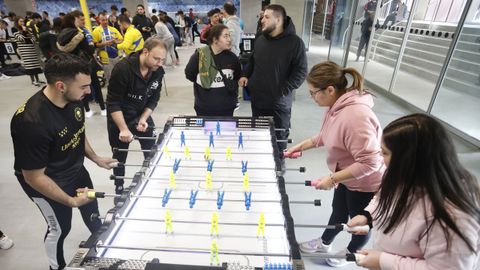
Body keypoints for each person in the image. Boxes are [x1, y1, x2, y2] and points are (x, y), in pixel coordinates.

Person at [10, 53, 117, 270]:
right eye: (84, 87)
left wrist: (95, 158)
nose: (89, 91)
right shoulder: (31, 122)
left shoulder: (74, 100)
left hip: (76, 171)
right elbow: (33, 177)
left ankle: (105, 247)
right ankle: (56, 266)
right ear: (61, 86)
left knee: (93, 215)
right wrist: (69, 200)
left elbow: (78, 132)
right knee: (60, 228)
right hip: (45, 183)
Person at [347, 114, 480, 270]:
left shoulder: (453, 217)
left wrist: (384, 261)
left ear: (409, 160)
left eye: (384, 153)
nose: (380, 157)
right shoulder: (403, 175)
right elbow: (385, 196)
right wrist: (368, 215)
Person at [285, 61, 384, 267]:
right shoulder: (335, 107)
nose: (311, 97)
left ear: (330, 89)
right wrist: (300, 146)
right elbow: (325, 135)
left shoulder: (357, 117)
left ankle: (351, 252)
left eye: (313, 93)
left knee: (360, 223)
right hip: (345, 176)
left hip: (365, 183)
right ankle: (325, 241)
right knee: (338, 211)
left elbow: (370, 162)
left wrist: (332, 179)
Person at [239, 4, 307, 159]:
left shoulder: (295, 43)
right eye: (262, 17)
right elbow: (252, 61)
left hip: (279, 103)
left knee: (278, 138)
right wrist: (245, 74)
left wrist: (283, 90)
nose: (262, 20)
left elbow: (301, 72)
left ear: (278, 19)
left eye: (266, 17)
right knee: (259, 133)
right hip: (258, 100)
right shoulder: (261, 39)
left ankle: (278, 167)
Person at [107, 37, 166, 194]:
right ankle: (119, 186)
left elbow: (154, 98)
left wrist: (143, 118)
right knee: (119, 155)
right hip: (120, 116)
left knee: (152, 150)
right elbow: (113, 103)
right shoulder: (123, 69)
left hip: (141, 114)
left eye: (162, 59)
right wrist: (123, 129)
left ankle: (151, 180)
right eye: (156, 58)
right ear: (145, 52)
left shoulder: (157, 70)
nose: (159, 63)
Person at [57, 10, 106, 117]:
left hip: (72, 65)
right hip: (85, 64)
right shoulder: (78, 34)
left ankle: (87, 110)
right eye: (81, 19)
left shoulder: (62, 33)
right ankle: (103, 109)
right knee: (96, 85)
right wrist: (92, 46)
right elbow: (89, 49)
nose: (83, 21)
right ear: (73, 20)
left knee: (80, 87)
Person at [185, 24, 241, 117]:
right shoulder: (200, 56)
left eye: (229, 36)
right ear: (215, 39)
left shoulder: (232, 58)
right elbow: (190, 75)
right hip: (204, 108)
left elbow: (237, 77)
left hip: (227, 108)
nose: (229, 39)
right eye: (225, 36)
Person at [92, 12, 123, 84]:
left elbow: (121, 39)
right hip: (105, 59)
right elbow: (95, 45)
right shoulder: (96, 31)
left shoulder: (113, 29)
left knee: (120, 76)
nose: (105, 22)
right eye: (103, 20)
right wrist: (105, 43)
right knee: (110, 79)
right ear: (99, 20)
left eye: (106, 19)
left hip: (117, 56)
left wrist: (115, 41)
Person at [13, 17, 44, 86]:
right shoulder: (16, 34)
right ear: (17, 23)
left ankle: (38, 80)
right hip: (25, 52)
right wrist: (25, 33)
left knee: (35, 66)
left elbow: (33, 40)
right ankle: (33, 81)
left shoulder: (28, 32)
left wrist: (28, 34)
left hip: (32, 51)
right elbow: (24, 40)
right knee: (30, 66)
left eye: (23, 21)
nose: (22, 23)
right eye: (20, 21)